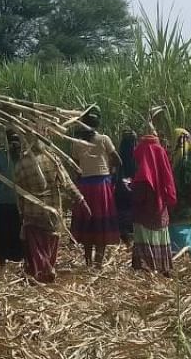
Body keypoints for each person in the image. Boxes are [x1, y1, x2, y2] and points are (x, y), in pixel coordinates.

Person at [14, 134, 82, 283]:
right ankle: (47, 270)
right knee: (51, 243)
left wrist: (20, 211)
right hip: (53, 210)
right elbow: (67, 183)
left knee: (36, 246)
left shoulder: (21, 164)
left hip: (33, 212)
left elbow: (19, 192)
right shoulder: (53, 159)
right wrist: (80, 199)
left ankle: (43, 271)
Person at [69, 108, 122, 268]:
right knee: (101, 223)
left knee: (88, 222)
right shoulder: (103, 139)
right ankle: (98, 263)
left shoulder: (77, 142)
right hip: (101, 186)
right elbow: (118, 161)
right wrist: (110, 172)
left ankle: (88, 262)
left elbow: (75, 165)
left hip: (85, 186)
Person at [131, 121, 177, 275]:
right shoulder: (160, 151)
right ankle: (163, 266)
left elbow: (138, 194)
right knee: (160, 231)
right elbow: (168, 179)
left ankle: (146, 266)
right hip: (159, 205)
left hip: (144, 210)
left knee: (143, 231)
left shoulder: (142, 156)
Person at [0, 131, 25, 270]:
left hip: (18, 203)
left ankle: (16, 263)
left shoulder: (23, 157)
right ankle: (3, 265)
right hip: (5, 202)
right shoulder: (0, 156)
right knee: (4, 233)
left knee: (16, 233)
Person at [169, 128, 191, 260]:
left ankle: (176, 256)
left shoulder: (174, 157)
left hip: (175, 206)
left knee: (176, 232)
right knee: (188, 231)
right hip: (190, 205)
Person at [116, 129, 139, 243]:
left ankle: (125, 234)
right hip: (133, 191)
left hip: (122, 191)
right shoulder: (138, 156)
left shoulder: (119, 157)